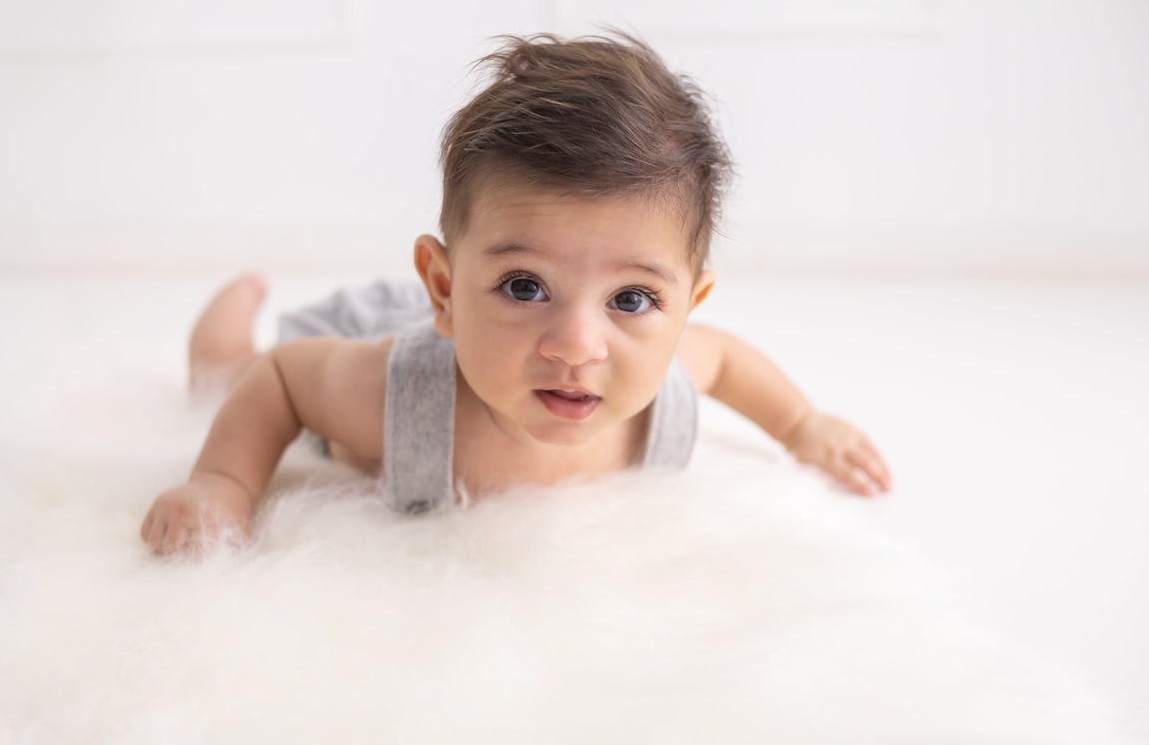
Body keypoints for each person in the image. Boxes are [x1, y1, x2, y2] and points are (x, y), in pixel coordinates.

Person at [141, 32, 892, 556]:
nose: (576, 344)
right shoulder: (393, 393)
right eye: (526, 285)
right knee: (232, 379)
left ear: (686, 307)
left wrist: (802, 424)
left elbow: (725, 362)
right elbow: (286, 379)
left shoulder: (670, 383)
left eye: (630, 300)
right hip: (384, 336)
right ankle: (222, 332)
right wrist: (221, 483)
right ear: (443, 286)